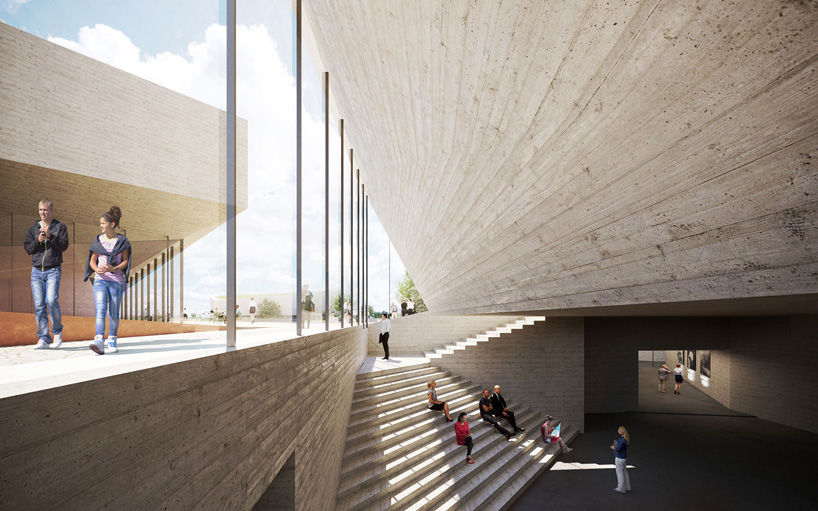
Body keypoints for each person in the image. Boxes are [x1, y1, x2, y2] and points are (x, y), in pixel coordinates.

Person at [84, 206, 131, 355]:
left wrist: (114, 269)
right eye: (100, 223)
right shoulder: (98, 240)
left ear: (112, 224)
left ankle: (112, 339)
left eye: (103, 223)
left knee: (114, 312)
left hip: (116, 281)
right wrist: (96, 269)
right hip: (100, 280)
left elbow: (125, 261)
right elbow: (92, 260)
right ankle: (99, 340)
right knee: (100, 309)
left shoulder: (122, 241)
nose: (100, 226)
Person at [24, 199, 69, 349]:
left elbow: (63, 246)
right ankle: (43, 338)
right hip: (36, 271)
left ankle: (57, 332)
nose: (42, 213)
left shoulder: (60, 227)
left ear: (51, 211)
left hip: (53, 270)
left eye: (45, 210)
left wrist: (50, 235)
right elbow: (28, 249)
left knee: (51, 300)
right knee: (39, 305)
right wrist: (38, 240)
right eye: (40, 210)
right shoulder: (33, 228)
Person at [611, 426, 631, 493]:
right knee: (624, 472)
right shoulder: (626, 439)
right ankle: (627, 487)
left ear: (622, 432)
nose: (618, 431)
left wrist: (613, 447)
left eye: (619, 430)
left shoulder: (622, 440)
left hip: (619, 458)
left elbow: (618, 449)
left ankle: (620, 488)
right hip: (624, 457)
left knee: (620, 473)